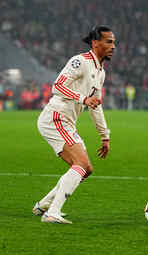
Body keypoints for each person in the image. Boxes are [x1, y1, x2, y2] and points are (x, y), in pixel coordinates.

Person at [33, 26, 116, 224]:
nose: (113, 46)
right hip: (55, 117)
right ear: (95, 43)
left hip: (66, 121)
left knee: (86, 169)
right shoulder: (80, 61)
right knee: (81, 164)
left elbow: (96, 105)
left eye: (114, 42)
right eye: (109, 42)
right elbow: (57, 86)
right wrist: (82, 98)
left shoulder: (100, 72)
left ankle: (43, 205)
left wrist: (105, 136)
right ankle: (52, 213)